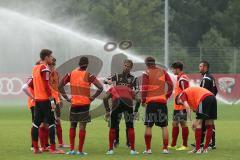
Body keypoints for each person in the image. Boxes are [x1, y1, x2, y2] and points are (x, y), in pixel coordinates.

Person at [59, 56, 103, 155]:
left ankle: (71, 150)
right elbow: (100, 87)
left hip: (74, 103)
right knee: (82, 127)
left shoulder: (71, 74)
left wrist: (67, 98)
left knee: (73, 126)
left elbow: (60, 86)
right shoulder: (88, 75)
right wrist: (92, 97)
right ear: (87, 65)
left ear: (78, 64)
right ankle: (80, 150)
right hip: (84, 104)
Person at [103, 59, 140, 155]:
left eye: (128, 66)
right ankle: (116, 141)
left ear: (131, 68)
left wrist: (130, 92)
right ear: (123, 66)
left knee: (129, 125)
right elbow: (105, 80)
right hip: (117, 100)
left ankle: (128, 143)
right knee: (116, 124)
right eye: (125, 65)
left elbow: (137, 89)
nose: (126, 67)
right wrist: (111, 83)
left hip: (127, 101)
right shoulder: (116, 76)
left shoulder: (133, 78)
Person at [31, 49, 64, 154]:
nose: (51, 58)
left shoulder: (35, 68)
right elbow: (46, 85)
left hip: (38, 100)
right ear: (46, 57)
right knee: (51, 123)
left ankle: (36, 148)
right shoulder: (45, 68)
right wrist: (52, 101)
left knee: (36, 124)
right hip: (46, 100)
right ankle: (53, 149)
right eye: (50, 56)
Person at [141, 57, 173, 154]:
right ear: (154, 63)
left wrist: (143, 100)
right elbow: (171, 85)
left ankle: (148, 149)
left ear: (146, 64)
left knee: (149, 126)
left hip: (151, 103)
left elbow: (145, 88)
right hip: (162, 102)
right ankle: (165, 149)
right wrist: (166, 96)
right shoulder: (163, 71)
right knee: (164, 126)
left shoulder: (146, 72)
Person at [175, 86, 217, 154]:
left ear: (178, 98)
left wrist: (190, 120)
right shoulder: (191, 97)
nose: (181, 104)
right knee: (209, 124)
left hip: (204, 98)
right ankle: (205, 149)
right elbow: (195, 109)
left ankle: (198, 149)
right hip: (212, 98)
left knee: (197, 125)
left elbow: (187, 107)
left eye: (179, 102)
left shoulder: (182, 94)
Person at [168, 62, 189, 151]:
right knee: (175, 123)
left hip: (181, 107)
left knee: (183, 124)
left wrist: (185, 104)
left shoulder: (183, 79)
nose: (172, 70)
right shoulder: (179, 78)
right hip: (177, 107)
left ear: (177, 69)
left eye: (173, 68)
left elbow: (186, 92)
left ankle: (184, 145)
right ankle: (173, 144)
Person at [49, 58, 68, 148]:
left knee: (58, 121)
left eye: (53, 65)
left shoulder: (56, 74)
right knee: (48, 122)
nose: (52, 66)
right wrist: (51, 100)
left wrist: (59, 99)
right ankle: (46, 144)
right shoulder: (46, 74)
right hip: (48, 100)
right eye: (50, 65)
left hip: (56, 99)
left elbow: (57, 87)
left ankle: (60, 143)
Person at [198, 61, 218, 150]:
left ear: (205, 67)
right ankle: (211, 143)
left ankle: (204, 143)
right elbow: (216, 91)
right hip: (212, 101)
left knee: (203, 122)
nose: (199, 68)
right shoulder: (211, 77)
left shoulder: (206, 78)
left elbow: (202, 92)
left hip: (206, 102)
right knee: (210, 122)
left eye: (200, 66)